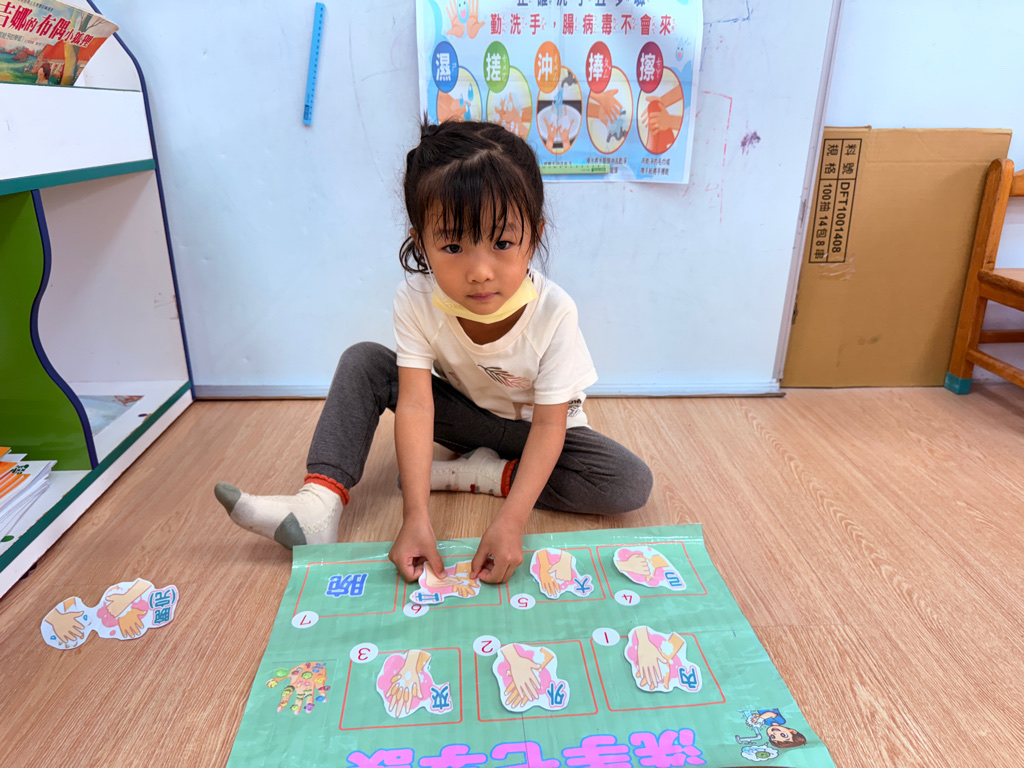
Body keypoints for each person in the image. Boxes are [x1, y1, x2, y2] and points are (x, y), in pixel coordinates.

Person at [214, 120, 652, 584]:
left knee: (628, 482)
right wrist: (415, 516)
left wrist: (511, 522)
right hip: (469, 421)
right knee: (365, 361)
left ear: (535, 236)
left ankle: (482, 474)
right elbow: (418, 405)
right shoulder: (416, 299)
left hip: (538, 429)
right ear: (420, 242)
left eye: (503, 243)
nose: (480, 271)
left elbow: (549, 427)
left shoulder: (555, 311)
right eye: (453, 245)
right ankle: (318, 505)